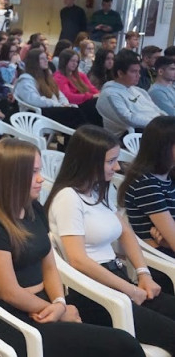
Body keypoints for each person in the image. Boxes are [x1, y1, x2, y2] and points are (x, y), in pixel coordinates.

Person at [0, 138, 145, 357]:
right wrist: (58, 311)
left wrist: (60, 302)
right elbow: (10, 292)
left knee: (120, 335)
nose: (41, 179)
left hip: (47, 305)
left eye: (39, 170)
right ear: (11, 177)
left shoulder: (33, 209)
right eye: (33, 172)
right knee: (123, 344)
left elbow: (50, 266)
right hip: (18, 320)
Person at [46, 125, 175, 354]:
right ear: (89, 162)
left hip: (118, 279)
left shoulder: (99, 190)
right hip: (95, 293)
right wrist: (130, 290)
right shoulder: (68, 198)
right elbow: (78, 260)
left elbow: (126, 232)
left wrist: (143, 274)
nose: (117, 167)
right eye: (110, 161)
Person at [120, 116, 175, 256]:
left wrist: (167, 241)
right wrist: (168, 243)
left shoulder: (168, 176)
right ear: (164, 148)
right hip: (165, 261)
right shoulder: (146, 184)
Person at [15, 48, 90, 129]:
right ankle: (82, 134)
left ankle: (81, 133)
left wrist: (64, 104)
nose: (46, 60)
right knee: (73, 113)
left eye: (46, 58)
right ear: (34, 62)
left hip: (50, 109)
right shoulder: (25, 80)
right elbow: (34, 100)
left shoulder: (47, 78)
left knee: (75, 111)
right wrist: (56, 104)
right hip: (35, 113)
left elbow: (60, 94)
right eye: (42, 58)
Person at [97, 51, 165, 134]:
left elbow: (156, 109)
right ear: (120, 73)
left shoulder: (139, 90)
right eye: (134, 71)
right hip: (129, 135)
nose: (138, 75)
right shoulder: (110, 94)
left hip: (154, 127)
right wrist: (160, 123)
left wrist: (168, 121)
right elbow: (129, 119)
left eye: (139, 71)